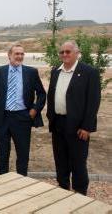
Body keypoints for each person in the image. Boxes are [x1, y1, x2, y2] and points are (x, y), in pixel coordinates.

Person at [47, 40, 101, 195]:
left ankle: (80, 191)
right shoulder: (55, 71)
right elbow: (52, 95)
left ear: (77, 53)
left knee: (78, 161)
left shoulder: (89, 72)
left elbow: (93, 101)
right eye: (62, 52)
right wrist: (51, 117)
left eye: (68, 51)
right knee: (60, 159)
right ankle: (63, 188)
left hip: (78, 126)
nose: (64, 54)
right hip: (58, 122)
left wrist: (87, 127)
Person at [0, 44, 46, 176]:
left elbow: (42, 94)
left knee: (22, 153)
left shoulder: (31, 72)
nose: (20, 56)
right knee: (2, 153)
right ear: (9, 55)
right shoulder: (0, 71)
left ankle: (21, 180)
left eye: (22, 54)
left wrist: (34, 110)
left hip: (22, 117)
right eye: (17, 54)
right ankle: (2, 181)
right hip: (3, 117)